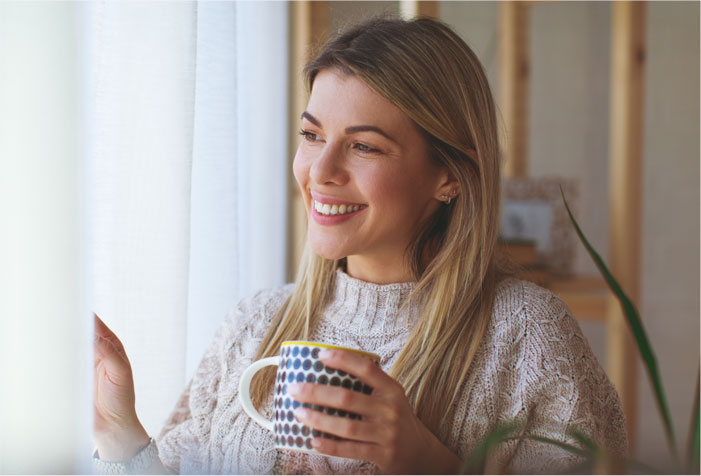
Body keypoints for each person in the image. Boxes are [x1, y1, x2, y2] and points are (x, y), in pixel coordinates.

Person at [93, 17, 628, 475]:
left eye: (365, 146)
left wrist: (428, 462)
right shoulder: (253, 325)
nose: (320, 172)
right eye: (312, 136)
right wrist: (121, 434)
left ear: (450, 176)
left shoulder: (528, 337)